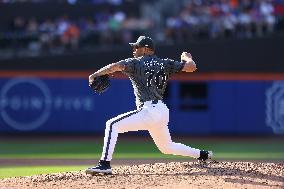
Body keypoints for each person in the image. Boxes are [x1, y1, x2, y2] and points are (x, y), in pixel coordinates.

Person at [86, 36, 213, 175]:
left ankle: (104, 164)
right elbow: (191, 67)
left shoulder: (136, 63)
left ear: (146, 49)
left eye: (137, 47)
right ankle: (203, 154)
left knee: (112, 124)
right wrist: (186, 58)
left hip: (149, 110)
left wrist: (95, 74)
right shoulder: (165, 63)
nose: (134, 49)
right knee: (166, 147)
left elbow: (115, 66)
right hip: (162, 111)